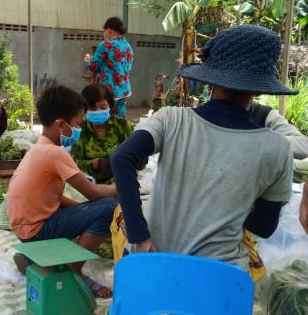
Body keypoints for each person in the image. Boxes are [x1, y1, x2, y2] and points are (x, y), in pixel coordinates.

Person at [110, 25, 296, 274]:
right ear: (260, 88)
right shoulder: (278, 148)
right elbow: (264, 227)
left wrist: (139, 236)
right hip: (219, 277)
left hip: (155, 263)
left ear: (210, 81)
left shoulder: (170, 119)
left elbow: (122, 158)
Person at [7, 85, 118, 299]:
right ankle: (73, 269)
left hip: (25, 230)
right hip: (37, 231)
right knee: (108, 208)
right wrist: (121, 188)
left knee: (95, 209)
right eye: (76, 125)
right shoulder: (55, 153)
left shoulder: (41, 147)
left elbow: (56, 197)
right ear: (60, 124)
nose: (78, 130)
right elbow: (93, 193)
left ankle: (40, 259)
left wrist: (84, 213)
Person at [70, 83, 135, 184]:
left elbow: (138, 159)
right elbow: (72, 164)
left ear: (110, 105)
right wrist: (94, 164)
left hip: (120, 181)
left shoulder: (123, 126)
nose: (98, 111)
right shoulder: (80, 130)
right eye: (92, 109)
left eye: (103, 107)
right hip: (88, 185)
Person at [89, 16, 133, 117]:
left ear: (109, 30)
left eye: (104, 31)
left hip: (106, 92)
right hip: (123, 90)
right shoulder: (127, 46)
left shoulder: (105, 45)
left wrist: (87, 61)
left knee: (104, 122)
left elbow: (93, 67)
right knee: (119, 122)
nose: (104, 34)